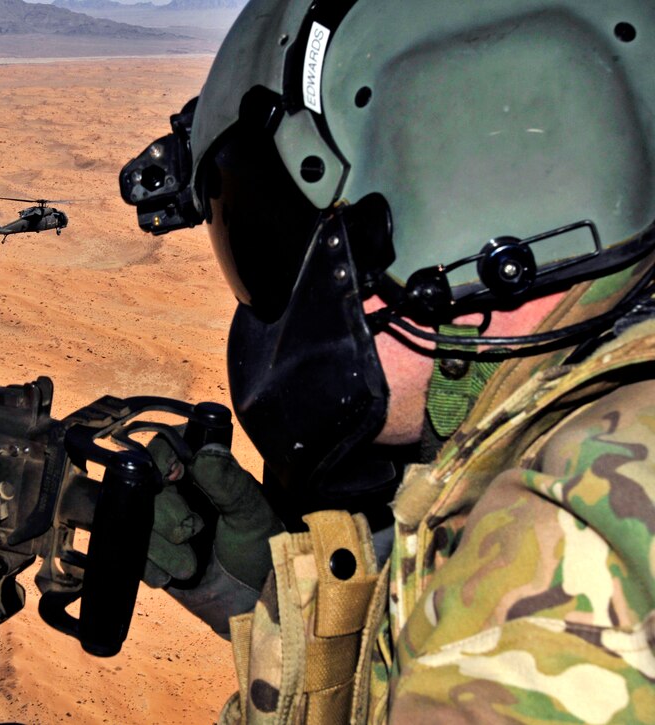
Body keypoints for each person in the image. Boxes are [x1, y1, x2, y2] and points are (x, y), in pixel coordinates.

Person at [123, 0, 655, 721]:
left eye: (281, 248)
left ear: (452, 211)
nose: (275, 314)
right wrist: (281, 610)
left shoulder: (573, 546)